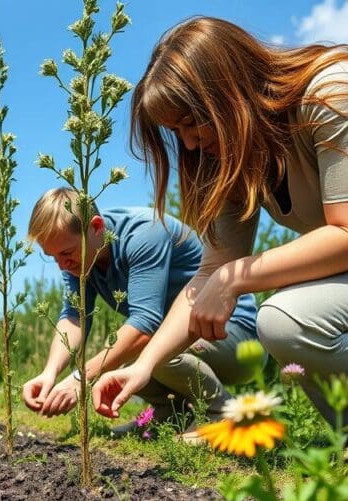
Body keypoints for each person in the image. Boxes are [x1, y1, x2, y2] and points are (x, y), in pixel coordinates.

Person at [93, 17, 348, 429]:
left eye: (192, 121)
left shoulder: (331, 93)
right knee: (287, 314)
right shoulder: (236, 160)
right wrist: (145, 365)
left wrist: (234, 278)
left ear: (230, 89)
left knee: (284, 317)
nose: (189, 143)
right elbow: (210, 271)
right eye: (176, 131)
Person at [21, 187, 261, 435]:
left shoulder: (145, 233)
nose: (61, 265)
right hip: (180, 341)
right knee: (117, 353)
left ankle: (224, 416)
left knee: (135, 348)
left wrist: (80, 378)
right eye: (52, 257)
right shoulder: (79, 256)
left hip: (233, 336)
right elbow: (73, 317)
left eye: (66, 253)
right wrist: (49, 374)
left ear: (96, 227)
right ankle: (169, 414)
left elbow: (145, 325)